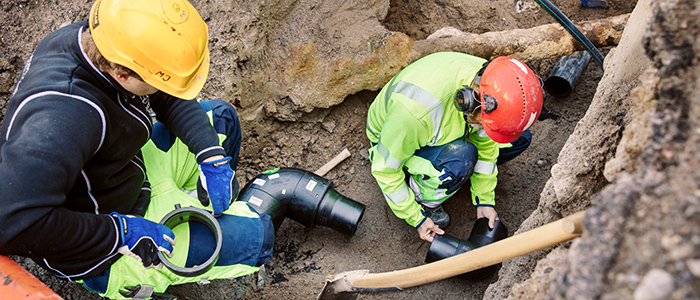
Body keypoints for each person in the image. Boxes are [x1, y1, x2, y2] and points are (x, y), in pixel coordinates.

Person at [0, 0, 274, 298]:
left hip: (125, 169)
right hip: (106, 244)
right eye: (155, 82)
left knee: (222, 120)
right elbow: (12, 223)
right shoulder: (61, 121)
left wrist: (209, 154)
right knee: (260, 239)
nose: (161, 89)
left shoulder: (103, 43)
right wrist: (119, 232)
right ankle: (134, 280)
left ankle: (197, 212)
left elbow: (165, 93)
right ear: (123, 75)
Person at [366, 52, 543, 242]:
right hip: (395, 140)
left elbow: (487, 146)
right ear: (469, 100)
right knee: (462, 157)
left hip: (444, 126)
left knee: (518, 137)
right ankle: (424, 198)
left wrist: (484, 200)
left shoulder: (490, 82)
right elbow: (384, 169)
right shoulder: (415, 114)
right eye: (484, 123)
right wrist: (417, 218)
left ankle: (452, 173)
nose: (485, 129)